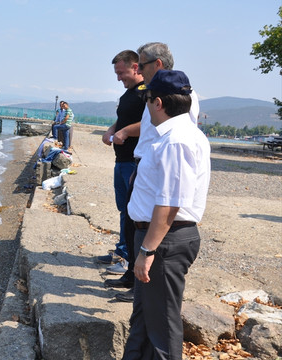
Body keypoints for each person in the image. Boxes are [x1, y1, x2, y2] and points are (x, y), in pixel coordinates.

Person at [122, 70, 210, 360]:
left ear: (157, 103)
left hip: (163, 240)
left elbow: (171, 203)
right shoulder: (178, 136)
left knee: (161, 326)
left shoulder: (177, 141)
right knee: (145, 318)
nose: (146, 108)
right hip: (156, 237)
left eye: (147, 101)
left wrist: (147, 249)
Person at [97, 50, 145, 287]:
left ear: (136, 67)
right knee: (122, 208)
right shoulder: (129, 94)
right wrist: (112, 129)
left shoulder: (146, 93)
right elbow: (123, 119)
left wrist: (124, 132)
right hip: (121, 159)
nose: (118, 78)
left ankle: (126, 259)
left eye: (121, 73)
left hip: (133, 160)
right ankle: (122, 251)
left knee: (130, 210)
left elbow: (149, 123)